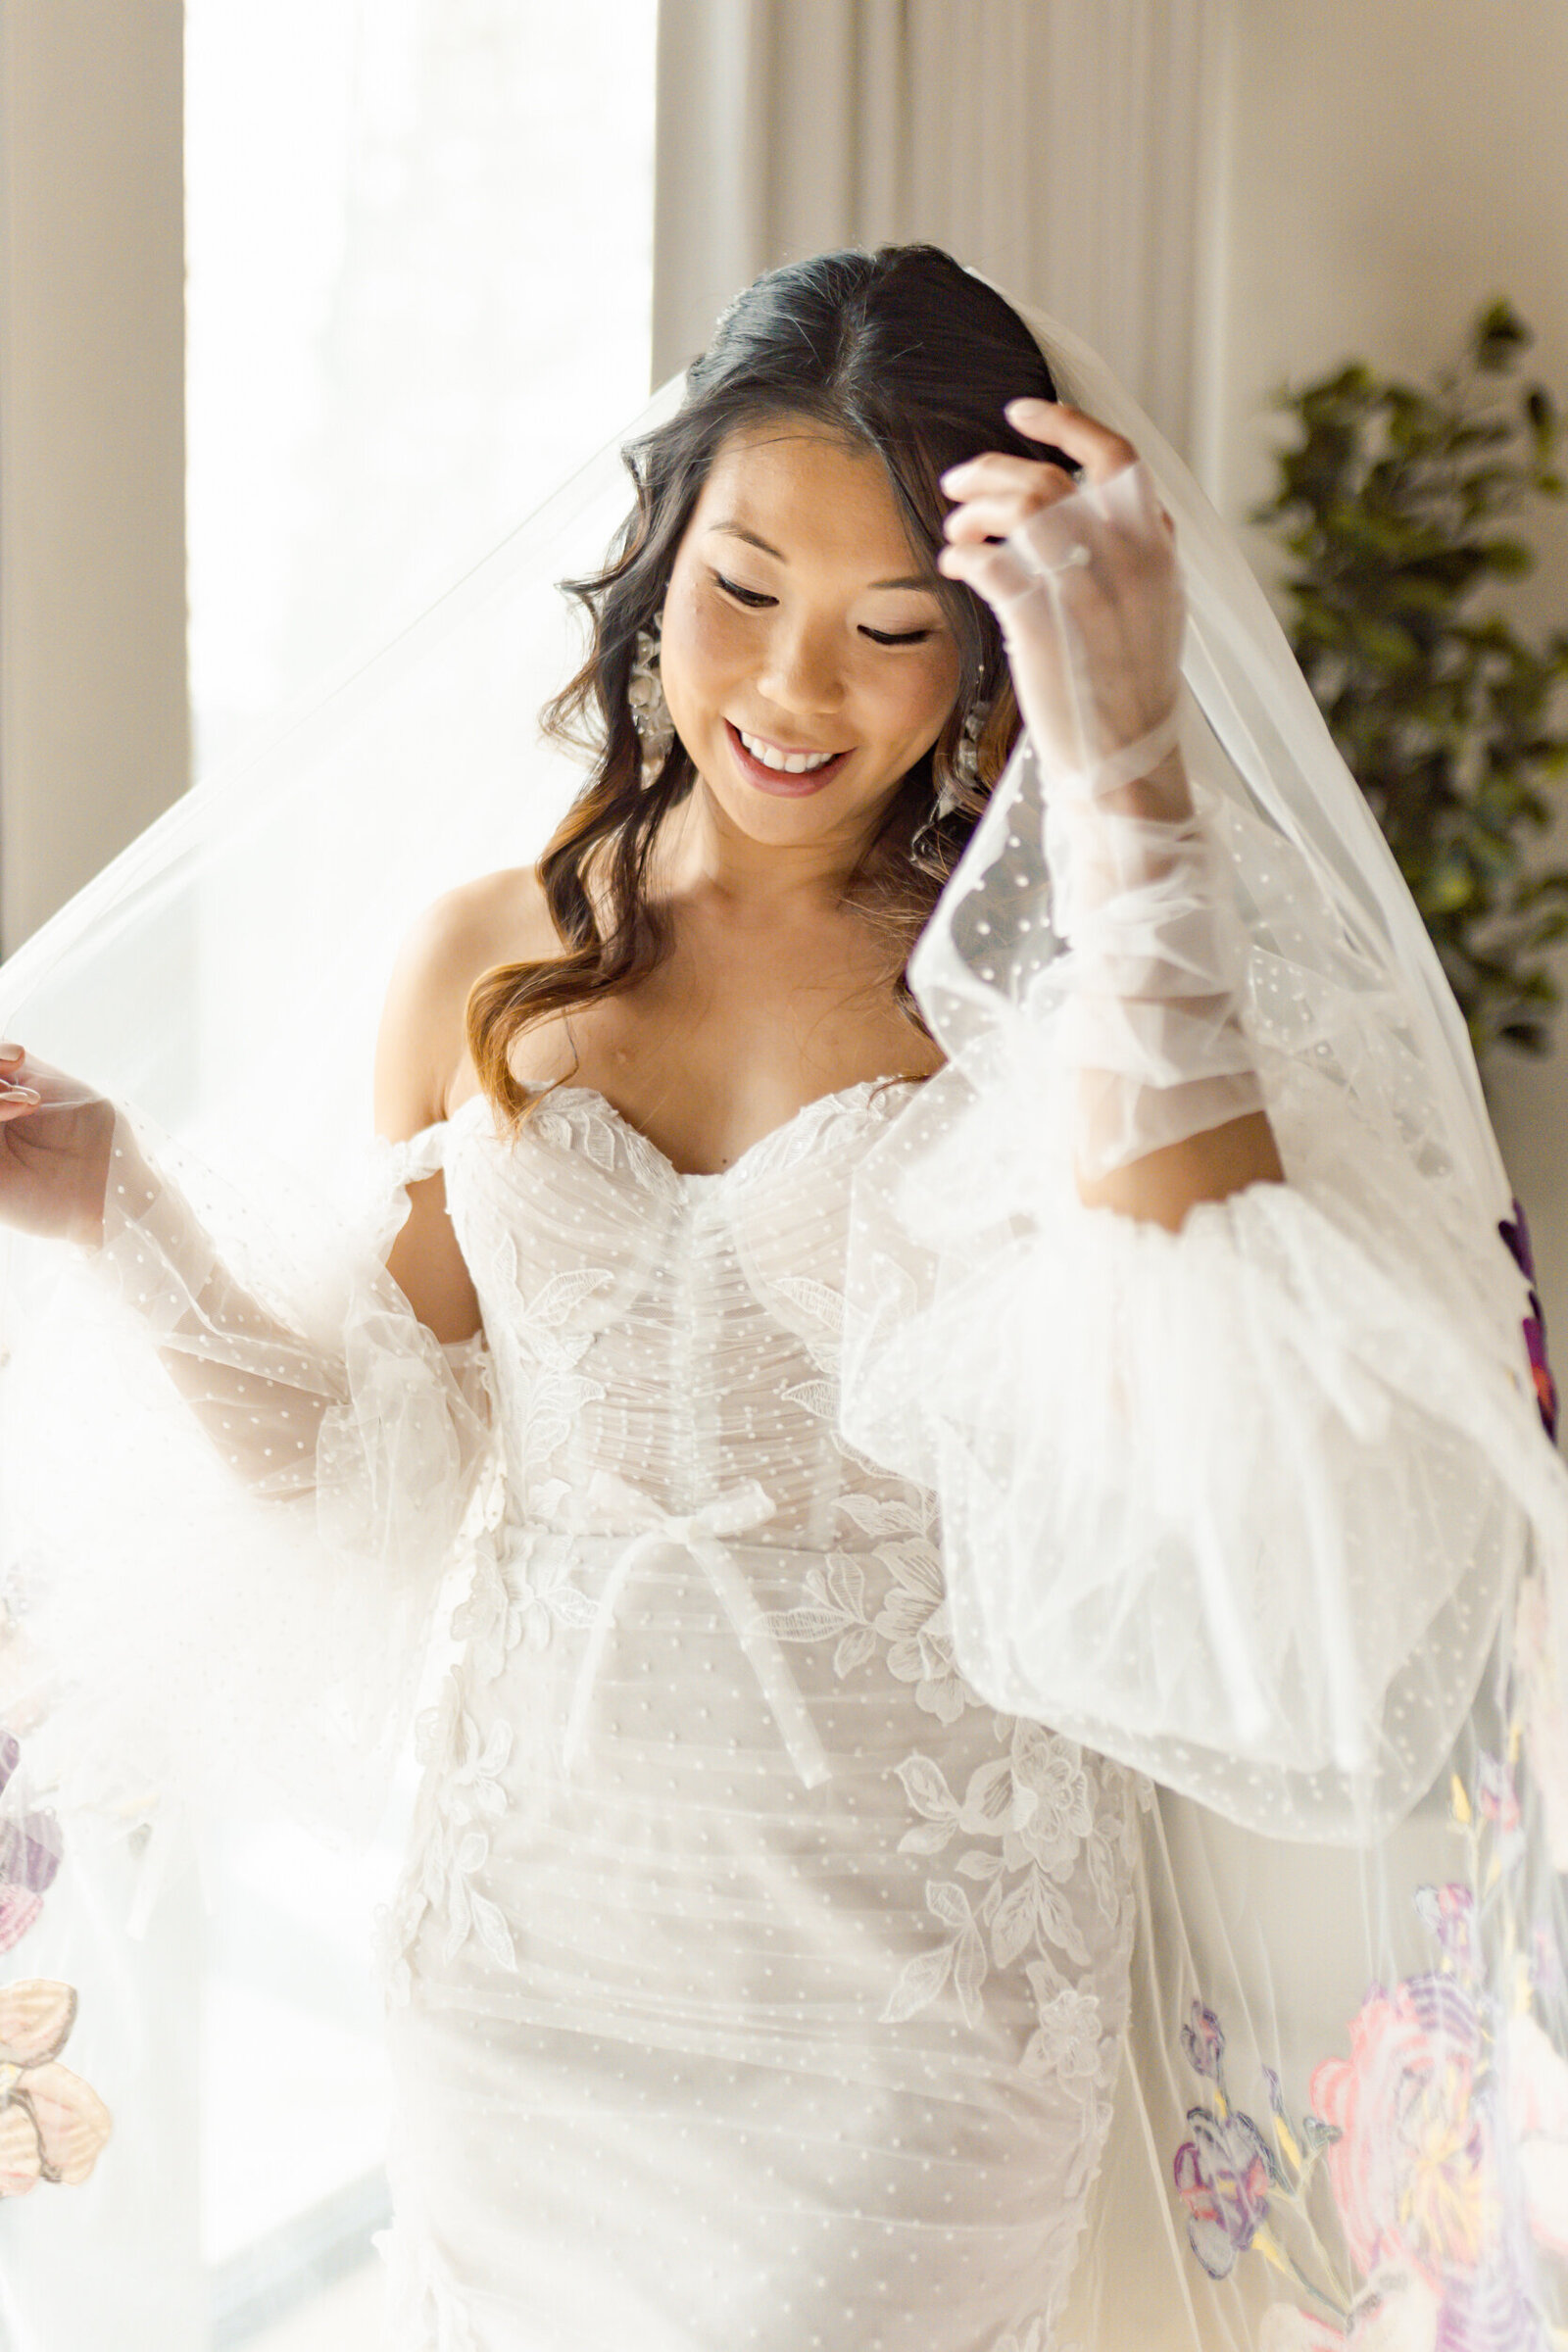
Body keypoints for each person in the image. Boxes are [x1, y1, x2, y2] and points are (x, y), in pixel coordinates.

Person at [0, 246, 1565, 2351]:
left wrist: (1119, 763)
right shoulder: (494, 947)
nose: (790, 690)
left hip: (899, 2018)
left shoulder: (1051, 988)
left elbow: (1213, 1330)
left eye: (890, 627)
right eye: (740, 587)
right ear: (656, 561)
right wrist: (122, 1212)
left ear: (985, 647)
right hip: (523, 1975)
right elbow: (360, 1471)